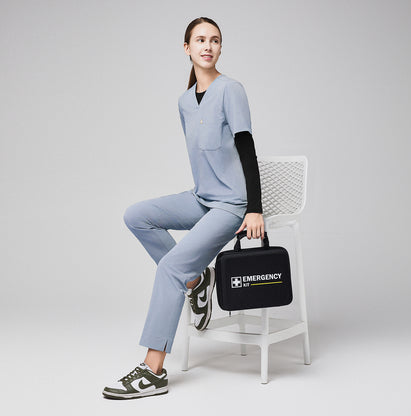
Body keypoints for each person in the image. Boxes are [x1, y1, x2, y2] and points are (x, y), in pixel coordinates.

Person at [102, 16, 264, 400]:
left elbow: (246, 149)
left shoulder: (232, 90)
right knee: (136, 216)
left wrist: (253, 208)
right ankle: (197, 281)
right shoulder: (183, 101)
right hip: (201, 197)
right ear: (187, 48)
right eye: (200, 40)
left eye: (215, 40)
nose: (208, 46)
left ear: (220, 48)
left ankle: (153, 370)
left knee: (171, 268)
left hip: (231, 204)